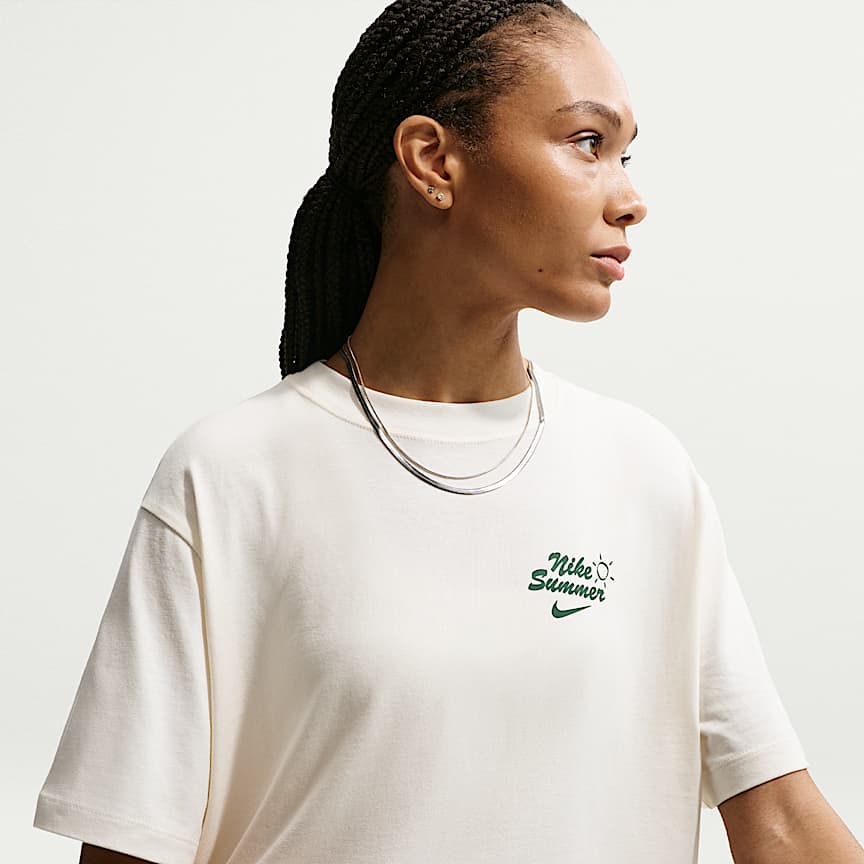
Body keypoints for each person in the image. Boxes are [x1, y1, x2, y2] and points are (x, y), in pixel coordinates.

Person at [33, 2, 864, 863]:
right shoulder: (229, 477)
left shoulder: (643, 473)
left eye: (626, 154)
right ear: (434, 159)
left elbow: (778, 822)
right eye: (587, 142)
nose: (630, 199)